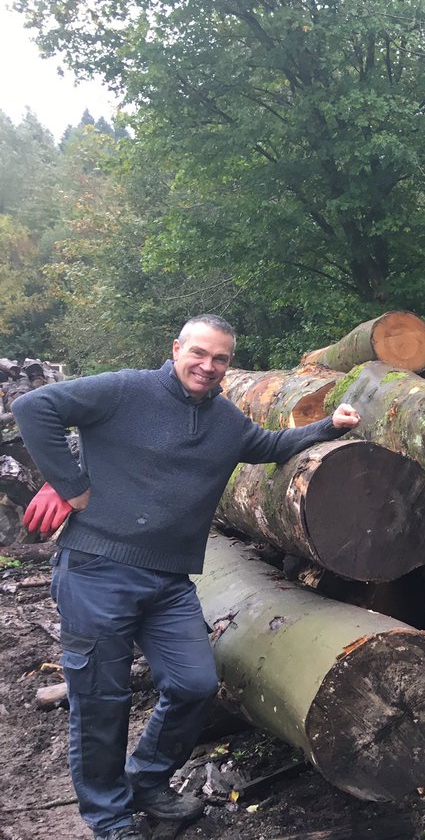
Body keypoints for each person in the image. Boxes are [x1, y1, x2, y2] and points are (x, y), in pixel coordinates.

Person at [13, 315, 361, 840]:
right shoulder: (126, 390)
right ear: (176, 348)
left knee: (195, 684)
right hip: (97, 571)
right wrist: (69, 483)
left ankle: (146, 780)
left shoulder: (223, 419)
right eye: (199, 353)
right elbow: (34, 407)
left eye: (220, 358)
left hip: (170, 581)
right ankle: (109, 819)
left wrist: (330, 427)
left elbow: (267, 447)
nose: (208, 366)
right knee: (102, 702)